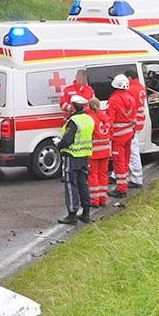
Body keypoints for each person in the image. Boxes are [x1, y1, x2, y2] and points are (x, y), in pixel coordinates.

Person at [56, 96, 94, 225]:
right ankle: (86, 213)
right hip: (84, 156)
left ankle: (72, 214)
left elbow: (67, 140)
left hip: (72, 156)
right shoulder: (89, 119)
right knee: (83, 184)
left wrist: (58, 144)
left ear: (73, 105)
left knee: (71, 184)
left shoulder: (73, 121)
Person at [106, 74, 137, 198]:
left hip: (118, 137)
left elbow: (110, 120)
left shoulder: (113, 100)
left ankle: (121, 189)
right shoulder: (131, 98)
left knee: (119, 163)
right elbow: (134, 118)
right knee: (125, 161)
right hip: (129, 134)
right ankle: (123, 184)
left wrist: (108, 136)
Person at [123, 67, 148, 190]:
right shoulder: (141, 87)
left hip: (132, 123)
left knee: (132, 150)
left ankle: (137, 178)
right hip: (140, 120)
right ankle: (123, 174)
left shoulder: (130, 90)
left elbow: (127, 106)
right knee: (130, 149)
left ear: (129, 78)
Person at [89, 99, 113, 209]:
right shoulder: (106, 118)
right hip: (106, 150)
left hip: (94, 151)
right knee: (103, 174)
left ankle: (95, 200)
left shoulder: (91, 119)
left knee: (93, 175)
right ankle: (103, 199)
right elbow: (111, 133)